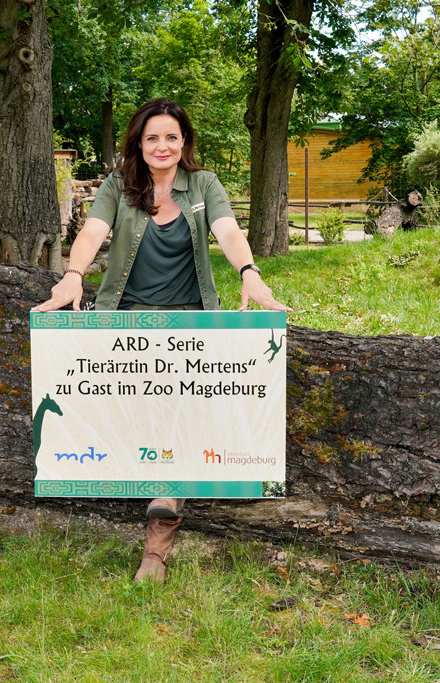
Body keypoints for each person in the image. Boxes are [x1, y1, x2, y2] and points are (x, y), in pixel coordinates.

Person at [33, 98, 291, 581]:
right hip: (127, 321)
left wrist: (250, 272)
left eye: (171, 137)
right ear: (139, 142)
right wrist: (72, 274)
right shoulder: (117, 185)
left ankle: (158, 538)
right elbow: (92, 232)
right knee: (139, 402)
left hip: (192, 322)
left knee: (181, 405)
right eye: (152, 137)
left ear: (184, 142)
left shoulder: (204, 184)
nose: (162, 146)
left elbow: (228, 230)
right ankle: (156, 498)